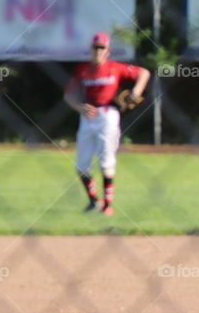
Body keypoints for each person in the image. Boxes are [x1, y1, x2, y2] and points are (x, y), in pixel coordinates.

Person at [64, 32, 150, 216]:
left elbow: (144, 73)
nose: (98, 51)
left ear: (107, 51)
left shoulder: (115, 67)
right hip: (87, 117)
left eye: (102, 47)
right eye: (96, 47)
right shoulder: (82, 70)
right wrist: (80, 107)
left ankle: (107, 205)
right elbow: (68, 95)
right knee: (81, 165)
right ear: (91, 49)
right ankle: (94, 201)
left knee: (106, 162)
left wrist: (135, 93)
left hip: (108, 115)